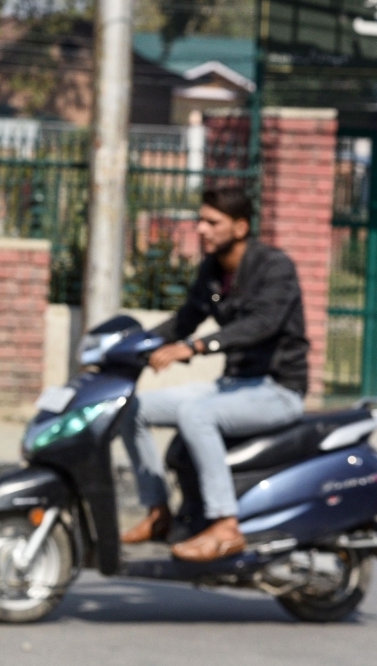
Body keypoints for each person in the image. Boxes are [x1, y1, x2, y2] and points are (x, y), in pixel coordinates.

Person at [120, 187, 308, 563]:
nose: (201, 229)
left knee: (196, 413)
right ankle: (158, 511)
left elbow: (262, 325)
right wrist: (126, 348)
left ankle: (225, 526)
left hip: (277, 390)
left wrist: (196, 347)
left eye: (212, 222)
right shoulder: (212, 271)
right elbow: (184, 321)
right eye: (200, 220)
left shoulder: (275, 267)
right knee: (130, 408)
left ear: (240, 227)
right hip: (232, 387)